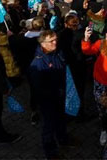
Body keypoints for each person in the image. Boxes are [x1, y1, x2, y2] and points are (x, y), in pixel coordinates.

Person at [28, 30, 71, 158]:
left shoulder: (57, 52)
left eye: (55, 39)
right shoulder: (38, 63)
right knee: (49, 125)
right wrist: (53, 93)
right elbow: (38, 88)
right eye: (51, 41)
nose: (55, 42)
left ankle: (63, 139)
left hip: (60, 95)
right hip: (48, 100)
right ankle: (50, 151)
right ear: (43, 44)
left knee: (61, 119)